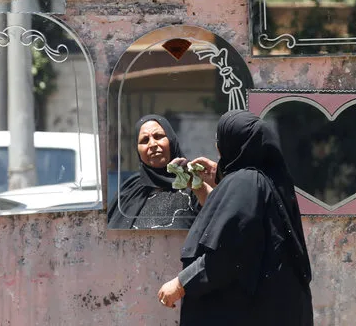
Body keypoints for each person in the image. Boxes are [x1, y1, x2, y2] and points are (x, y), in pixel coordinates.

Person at [157, 110, 314, 326]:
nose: (216, 146)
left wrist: (181, 283)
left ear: (231, 143)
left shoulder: (244, 182)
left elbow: (227, 251)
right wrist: (207, 182)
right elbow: (232, 222)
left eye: (219, 139)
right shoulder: (268, 182)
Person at [107, 114, 215, 230]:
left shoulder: (195, 185)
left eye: (158, 136)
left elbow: (215, 215)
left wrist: (199, 187)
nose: (152, 144)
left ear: (171, 140)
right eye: (144, 140)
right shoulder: (130, 190)